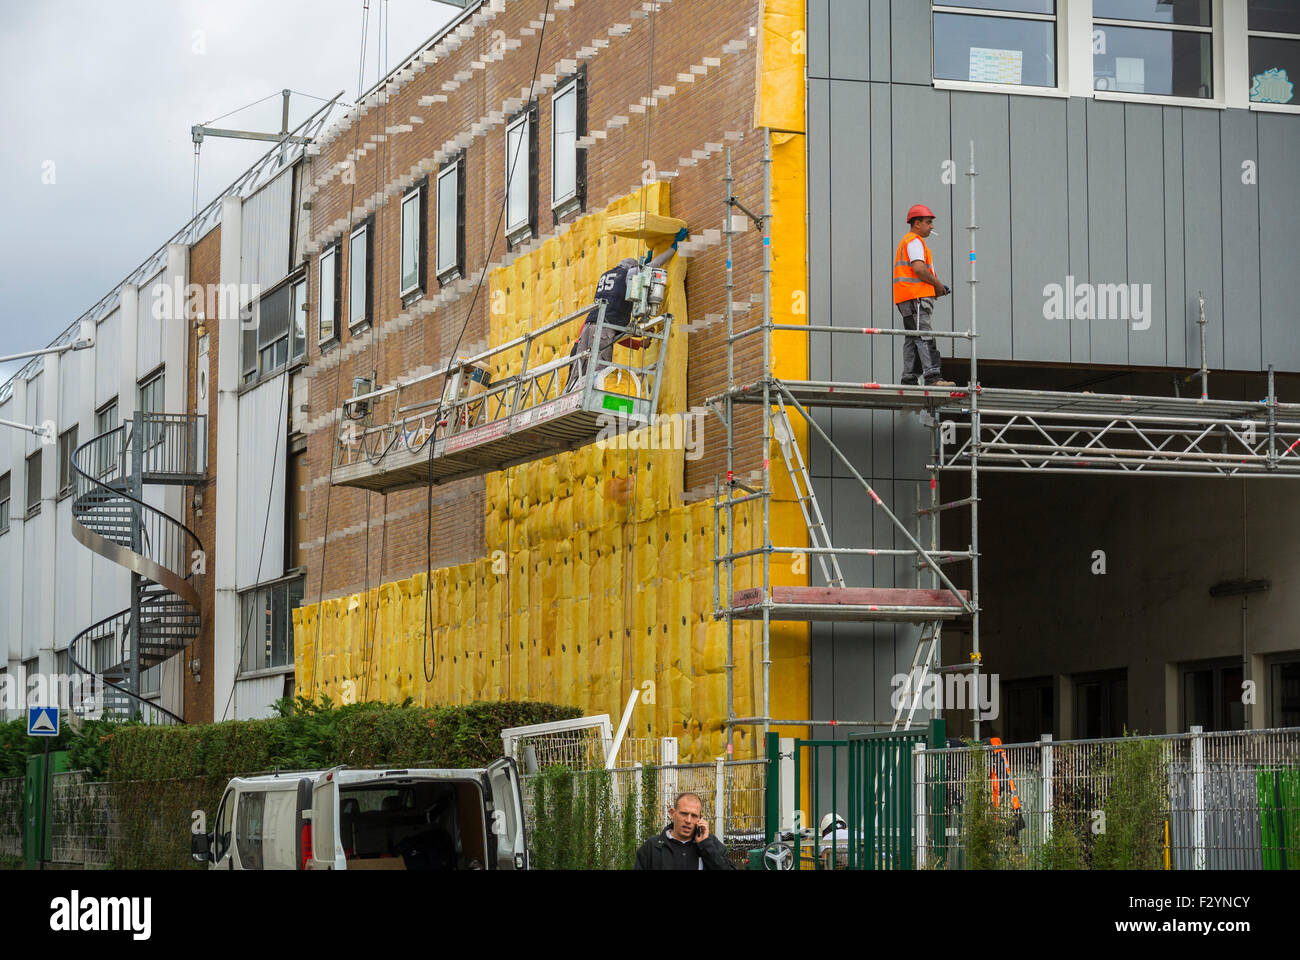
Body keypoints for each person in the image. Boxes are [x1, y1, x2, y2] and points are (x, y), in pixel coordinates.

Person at [564, 226, 688, 392]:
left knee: (580, 370)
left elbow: (615, 335)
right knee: (599, 369)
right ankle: (595, 397)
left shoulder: (607, 274)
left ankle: (570, 394)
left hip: (590, 327)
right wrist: (674, 247)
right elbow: (656, 264)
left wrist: (638, 344)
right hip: (602, 328)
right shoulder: (628, 274)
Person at [892, 204, 955, 387]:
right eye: (928, 222)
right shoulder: (915, 241)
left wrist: (935, 288)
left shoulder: (910, 241)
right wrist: (937, 285)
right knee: (924, 335)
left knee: (913, 338)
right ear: (917, 223)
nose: (932, 226)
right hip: (915, 298)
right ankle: (933, 377)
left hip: (908, 297)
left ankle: (909, 379)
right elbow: (919, 268)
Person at [633, 791, 735, 870]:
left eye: (694, 816)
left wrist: (705, 845)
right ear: (673, 813)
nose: (688, 820)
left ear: (700, 819)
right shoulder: (652, 846)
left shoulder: (711, 844)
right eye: (684, 814)